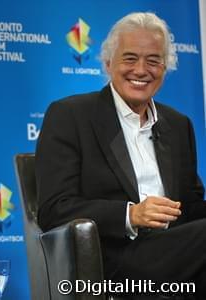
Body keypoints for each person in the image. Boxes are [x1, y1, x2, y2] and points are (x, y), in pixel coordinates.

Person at [36, 12, 206, 299]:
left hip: (179, 251)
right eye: (130, 58)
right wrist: (131, 214)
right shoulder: (70, 115)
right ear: (107, 63)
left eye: (153, 60)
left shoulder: (178, 125)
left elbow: (190, 206)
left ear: (165, 68)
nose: (141, 70)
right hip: (114, 258)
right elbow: (54, 209)